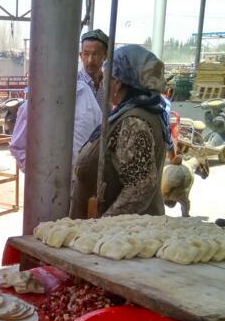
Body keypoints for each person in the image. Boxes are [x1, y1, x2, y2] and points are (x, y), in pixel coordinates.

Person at [70, 44, 171, 219]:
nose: (102, 82)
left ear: (118, 83)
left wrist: (103, 225)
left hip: (118, 238)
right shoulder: (141, 112)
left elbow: (140, 187)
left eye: (106, 77)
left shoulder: (134, 122)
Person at [9, 81, 101, 172]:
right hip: (48, 182)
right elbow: (17, 147)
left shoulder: (84, 92)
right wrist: (39, 174)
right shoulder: (37, 100)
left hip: (82, 179)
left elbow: (99, 133)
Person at [79, 29, 109, 109]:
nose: (90, 60)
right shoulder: (73, 84)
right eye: (86, 54)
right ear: (81, 55)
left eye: (95, 54)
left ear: (105, 56)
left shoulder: (109, 84)